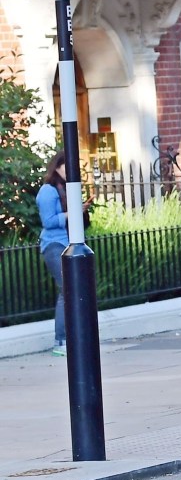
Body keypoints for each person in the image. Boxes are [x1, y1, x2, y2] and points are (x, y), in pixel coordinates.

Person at [35, 151, 88, 356]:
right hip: (54, 245)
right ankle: (61, 340)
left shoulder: (67, 189)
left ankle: (72, 337)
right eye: (67, 166)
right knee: (66, 289)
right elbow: (48, 221)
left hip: (68, 243)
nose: (71, 170)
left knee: (73, 289)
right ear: (57, 167)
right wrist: (71, 212)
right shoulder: (48, 191)